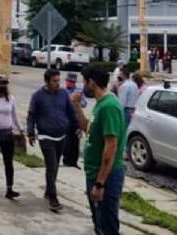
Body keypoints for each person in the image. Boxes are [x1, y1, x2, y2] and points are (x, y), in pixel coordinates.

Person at [70, 65, 126, 235]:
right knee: (99, 222)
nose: (83, 86)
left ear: (92, 83)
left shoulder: (109, 106)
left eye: (84, 82)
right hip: (94, 172)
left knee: (106, 225)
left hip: (106, 177)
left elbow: (111, 145)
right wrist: (77, 107)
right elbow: (90, 129)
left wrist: (100, 183)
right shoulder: (100, 104)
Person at [27, 69, 79, 212]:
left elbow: (70, 112)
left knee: (55, 165)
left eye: (58, 81)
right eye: (54, 81)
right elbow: (31, 115)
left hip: (61, 135)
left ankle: (49, 189)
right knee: (51, 165)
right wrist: (30, 132)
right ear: (47, 81)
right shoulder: (37, 96)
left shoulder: (63, 94)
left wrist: (77, 127)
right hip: (46, 136)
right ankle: (53, 197)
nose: (57, 84)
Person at [63, 72, 84, 168]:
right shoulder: (63, 91)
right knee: (67, 141)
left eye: (71, 82)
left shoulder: (78, 92)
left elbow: (84, 103)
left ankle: (74, 162)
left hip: (76, 119)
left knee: (76, 141)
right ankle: (66, 161)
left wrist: (77, 100)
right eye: (68, 81)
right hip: (65, 119)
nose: (69, 83)